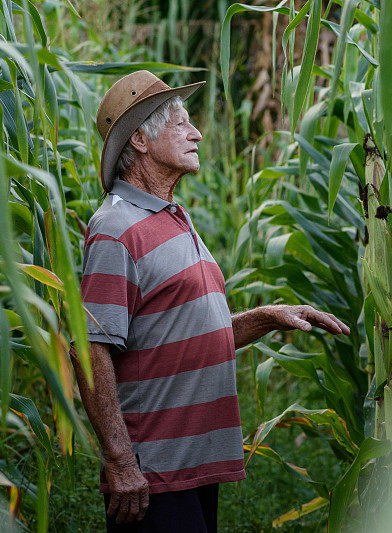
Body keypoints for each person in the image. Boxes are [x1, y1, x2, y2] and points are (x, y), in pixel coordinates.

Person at [69, 70, 350, 532]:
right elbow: (89, 346)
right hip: (154, 470)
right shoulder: (114, 229)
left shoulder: (175, 217)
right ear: (139, 139)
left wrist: (267, 317)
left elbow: (183, 332)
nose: (196, 133)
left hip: (194, 463)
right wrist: (121, 463)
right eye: (181, 123)